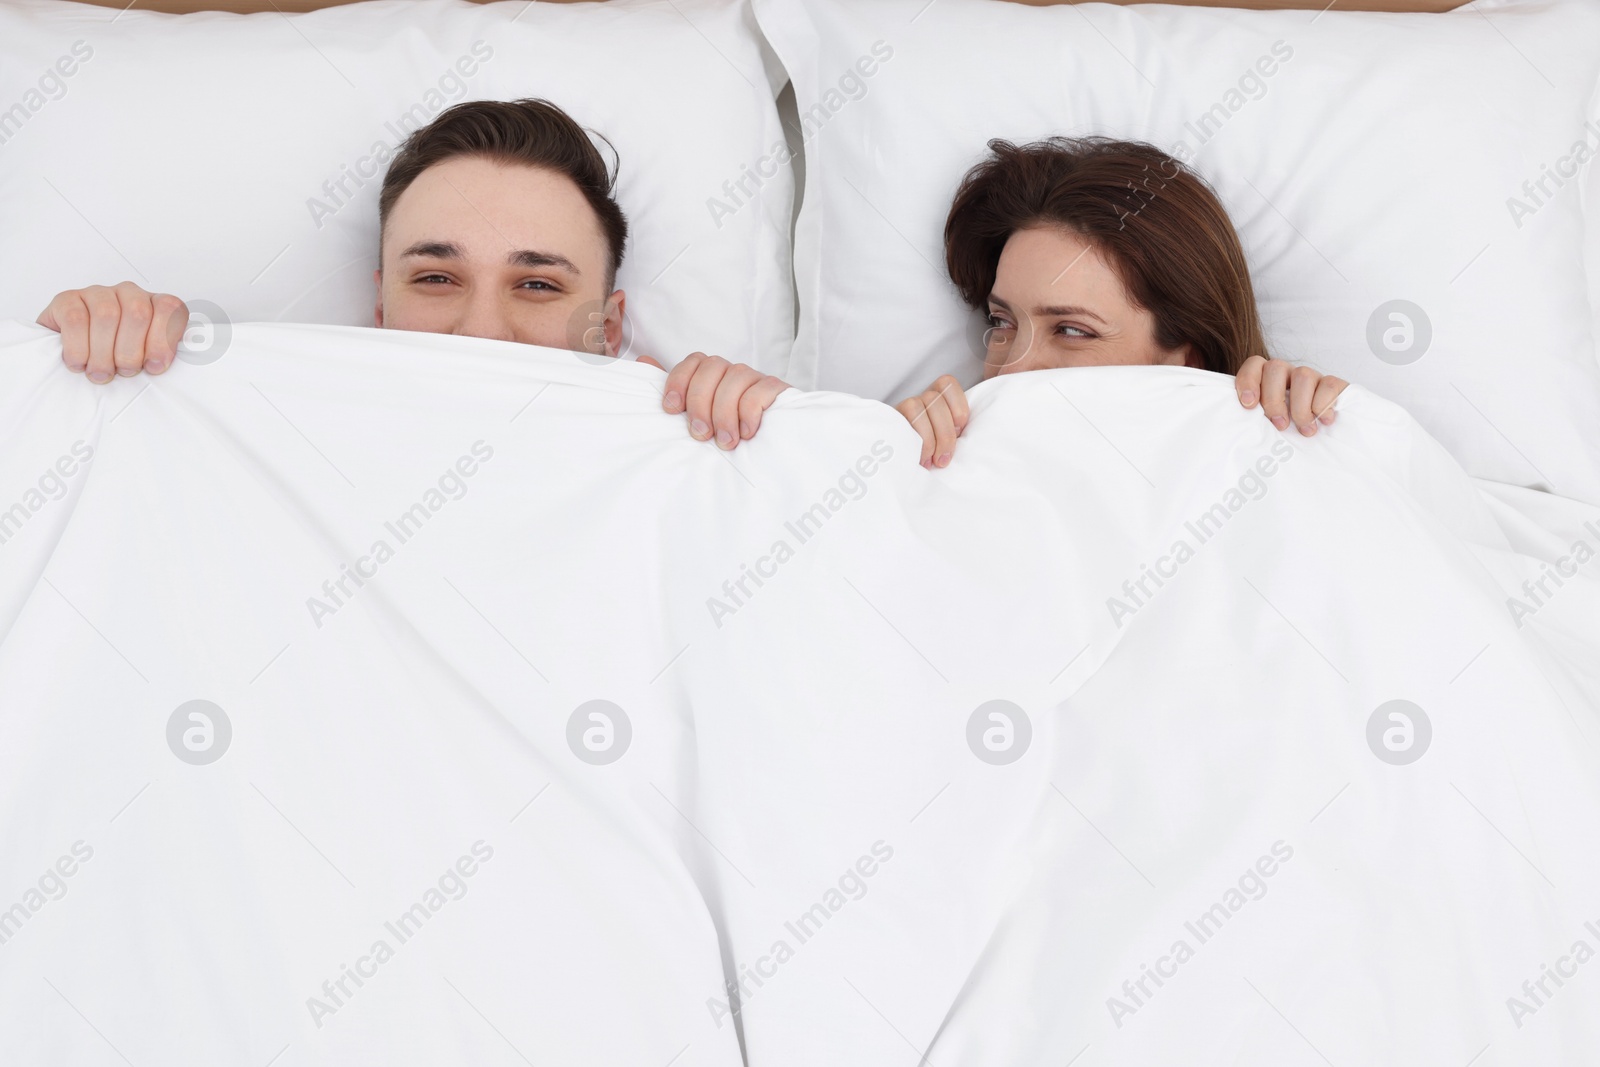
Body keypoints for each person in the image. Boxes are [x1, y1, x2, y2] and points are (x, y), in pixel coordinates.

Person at [35, 98, 787, 452]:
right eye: (435, 278)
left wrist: (777, 441)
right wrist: (74, 378)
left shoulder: (687, 456)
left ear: (611, 327)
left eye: (537, 284)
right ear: (382, 307)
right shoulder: (259, 429)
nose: (482, 332)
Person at [896, 137, 1347, 469]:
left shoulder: (1275, 465)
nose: (1011, 369)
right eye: (1002, 321)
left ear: (1187, 360)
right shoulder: (929, 456)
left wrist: (1321, 437)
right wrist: (891, 461)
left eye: (1073, 330)